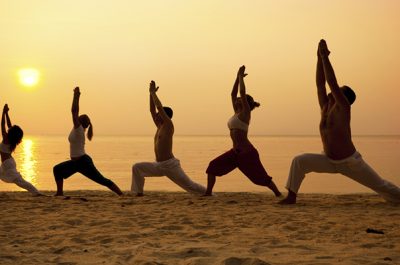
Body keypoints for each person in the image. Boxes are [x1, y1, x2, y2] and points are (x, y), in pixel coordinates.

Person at [279, 39, 400, 204]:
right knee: (299, 161)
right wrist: (317, 58)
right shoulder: (325, 107)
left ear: (343, 98)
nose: (331, 93)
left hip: (350, 162)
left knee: (381, 186)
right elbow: (320, 85)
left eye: (337, 93)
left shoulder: (343, 107)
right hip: (329, 160)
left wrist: (324, 57)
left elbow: (331, 82)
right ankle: (291, 197)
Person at [204, 66, 281, 196]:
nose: (237, 99)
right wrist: (236, 77)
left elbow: (242, 92)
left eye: (241, 98)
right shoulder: (236, 112)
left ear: (246, 102)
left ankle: (278, 193)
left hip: (247, 153)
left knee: (261, 178)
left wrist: (241, 77)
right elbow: (232, 94)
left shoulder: (245, 113)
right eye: (238, 99)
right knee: (212, 167)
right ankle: (208, 193)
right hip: (234, 153)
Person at [131, 81, 206, 196]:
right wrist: (150, 94)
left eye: (158, 114)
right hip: (158, 165)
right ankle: (138, 193)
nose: (155, 115)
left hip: (170, 165)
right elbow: (152, 110)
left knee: (190, 185)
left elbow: (159, 107)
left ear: (165, 116)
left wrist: (154, 93)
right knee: (137, 168)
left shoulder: (168, 125)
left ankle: (209, 193)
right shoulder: (159, 126)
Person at [53, 87, 123, 196]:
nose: (76, 118)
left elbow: (74, 111)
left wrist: (76, 96)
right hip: (76, 163)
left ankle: (121, 194)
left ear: (80, 121)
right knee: (57, 169)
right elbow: (75, 113)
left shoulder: (78, 129)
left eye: (78, 118)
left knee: (101, 180)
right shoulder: (78, 130)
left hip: (83, 162)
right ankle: (59, 193)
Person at [1, 104, 42, 195]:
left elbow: (3, 126)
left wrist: (3, 113)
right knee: (20, 181)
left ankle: (36, 192)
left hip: (8, 164)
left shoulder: (6, 139)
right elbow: (9, 125)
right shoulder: (11, 140)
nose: (10, 128)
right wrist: (7, 113)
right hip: (7, 163)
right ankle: (36, 192)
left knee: (20, 182)